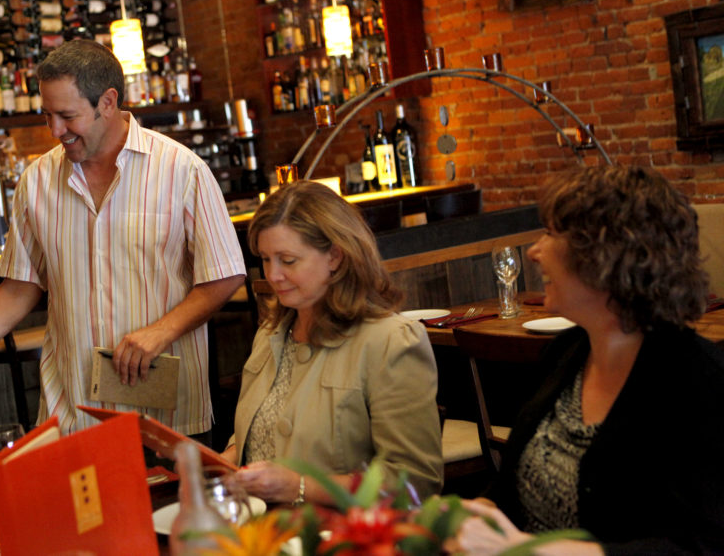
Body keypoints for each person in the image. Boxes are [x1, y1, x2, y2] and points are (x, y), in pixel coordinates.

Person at [0, 40, 245, 436]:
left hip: (162, 406)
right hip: (71, 409)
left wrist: (161, 330)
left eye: (67, 116)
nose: (56, 131)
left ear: (108, 102)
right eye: (47, 116)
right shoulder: (37, 180)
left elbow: (225, 273)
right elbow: (20, 287)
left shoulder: (183, 170)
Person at [456, 165, 724, 554]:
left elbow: (705, 546)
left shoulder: (698, 382)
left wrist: (530, 549)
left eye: (550, 233)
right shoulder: (566, 354)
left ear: (604, 253)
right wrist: (479, 512)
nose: (533, 251)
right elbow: (516, 483)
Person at [223, 180, 443, 504]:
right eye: (266, 259)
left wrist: (300, 486)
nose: (273, 275)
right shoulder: (271, 331)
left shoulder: (390, 341)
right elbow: (258, 431)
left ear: (335, 257)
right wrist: (225, 460)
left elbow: (412, 484)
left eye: (288, 260)